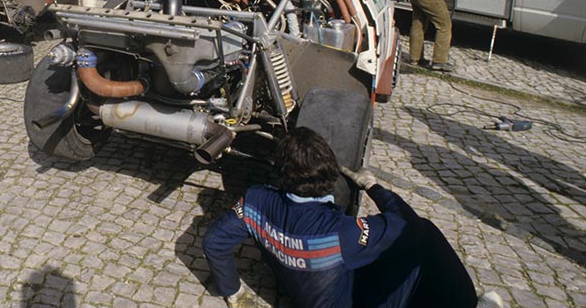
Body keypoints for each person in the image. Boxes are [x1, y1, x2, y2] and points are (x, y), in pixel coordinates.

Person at [202, 127, 504, 308]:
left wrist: (235, 293)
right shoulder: (345, 233)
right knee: (426, 234)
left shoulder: (256, 201)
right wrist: (373, 186)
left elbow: (214, 241)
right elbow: (405, 224)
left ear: (282, 174)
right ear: (332, 174)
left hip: (303, 293)